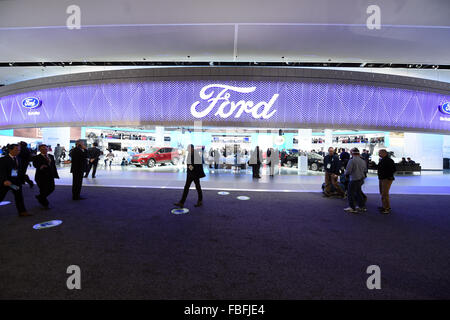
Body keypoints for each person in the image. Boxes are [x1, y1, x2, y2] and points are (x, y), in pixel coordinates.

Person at [0, 144, 31, 216]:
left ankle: (22, 211)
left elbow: (17, 170)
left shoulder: (18, 159)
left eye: (19, 150)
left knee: (19, 195)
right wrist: (4, 180)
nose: (18, 151)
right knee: (1, 196)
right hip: (6, 182)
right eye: (16, 150)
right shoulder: (3, 160)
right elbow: (1, 171)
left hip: (14, 183)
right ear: (10, 150)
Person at [32, 144, 59, 209]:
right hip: (41, 177)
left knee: (52, 188)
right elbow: (35, 165)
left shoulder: (51, 156)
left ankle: (40, 197)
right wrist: (40, 166)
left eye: (45, 149)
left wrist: (55, 175)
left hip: (50, 176)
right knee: (43, 190)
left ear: (47, 149)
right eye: (42, 149)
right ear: (40, 150)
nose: (44, 150)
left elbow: (53, 166)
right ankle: (45, 204)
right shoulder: (36, 157)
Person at [343, 148, 368, 213]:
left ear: (352, 153)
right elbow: (365, 170)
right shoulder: (363, 161)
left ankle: (352, 208)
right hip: (361, 179)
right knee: (358, 193)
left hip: (354, 179)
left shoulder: (352, 160)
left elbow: (348, 171)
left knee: (350, 193)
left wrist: (345, 173)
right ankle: (361, 207)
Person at [376, 149, 396, 214]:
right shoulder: (382, 160)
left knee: (385, 194)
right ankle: (384, 206)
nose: (379, 154)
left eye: (379, 153)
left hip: (386, 179)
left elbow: (393, 169)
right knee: (382, 193)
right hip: (382, 178)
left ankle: (386, 208)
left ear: (384, 153)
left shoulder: (389, 160)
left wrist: (387, 176)